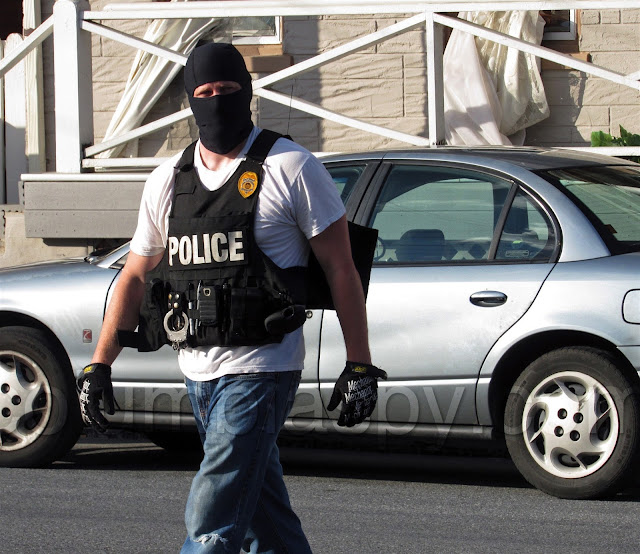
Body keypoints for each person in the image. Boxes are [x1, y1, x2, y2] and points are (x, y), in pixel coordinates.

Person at [78, 42, 386, 553]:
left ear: (248, 91)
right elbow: (134, 275)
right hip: (197, 371)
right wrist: (98, 364)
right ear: (190, 100)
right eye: (205, 91)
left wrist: (359, 364)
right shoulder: (168, 180)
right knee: (264, 518)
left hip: (263, 367)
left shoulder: (291, 166)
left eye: (227, 88)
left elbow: (341, 268)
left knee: (212, 517)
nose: (217, 99)